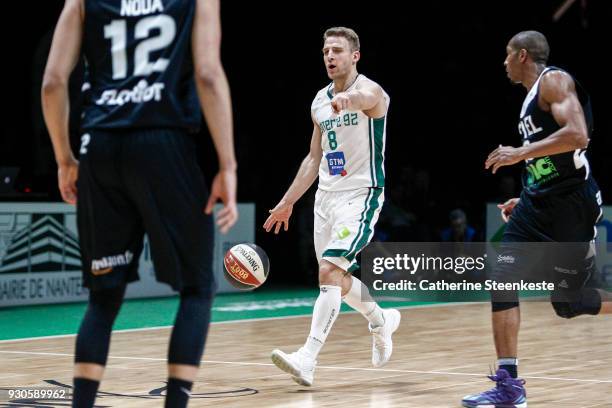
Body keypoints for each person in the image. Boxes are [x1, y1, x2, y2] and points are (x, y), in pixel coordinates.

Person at [41, 0, 237, 407]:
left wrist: (64, 158)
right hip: (163, 144)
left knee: (103, 296)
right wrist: (228, 164)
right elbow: (207, 72)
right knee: (198, 287)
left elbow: (54, 83)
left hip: (100, 147)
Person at [462, 30, 612, 408]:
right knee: (501, 277)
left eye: (507, 55)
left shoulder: (554, 81)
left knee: (569, 302)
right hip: (538, 204)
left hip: (571, 208)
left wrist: (519, 152)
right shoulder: (530, 100)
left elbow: (578, 135)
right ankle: (509, 386)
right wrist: (527, 192)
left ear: (523, 56)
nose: (504, 62)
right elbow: (549, 158)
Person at [263, 27, 400, 387]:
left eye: (337, 50)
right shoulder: (318, 101)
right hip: (325, 197)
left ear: (355, 55)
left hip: (361, 194)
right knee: (335, 278)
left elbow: (366, 98)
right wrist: (287, 202)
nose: (330, 56)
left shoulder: (372, 92)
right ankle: (380, 320)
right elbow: (313, 158)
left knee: (327, 272)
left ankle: (307, 358)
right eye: (326, 51)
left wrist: (348, 102)